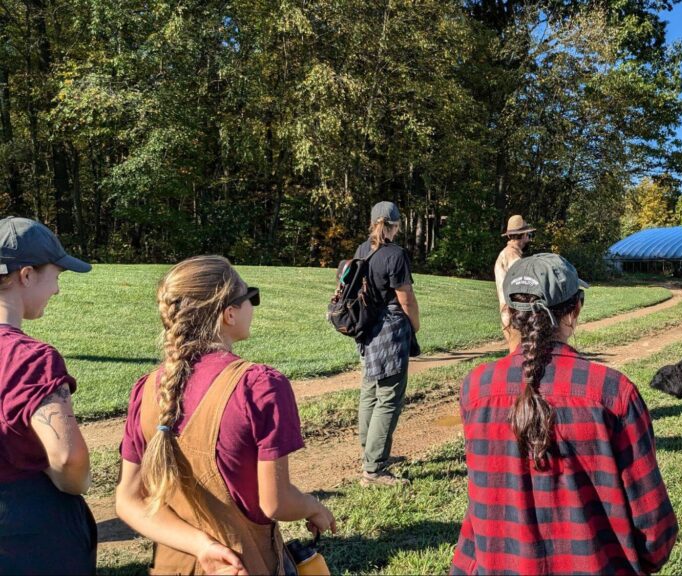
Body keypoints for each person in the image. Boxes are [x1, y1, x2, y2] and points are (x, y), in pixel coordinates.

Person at [452, 253, 677, 575]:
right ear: (574, 311)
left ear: (509, 314)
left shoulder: (476, 388)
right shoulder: (612, 392)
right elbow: (654, 526)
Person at [115, 255, 336, 575]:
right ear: (229, 313)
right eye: (251, 297)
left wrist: (201, 546)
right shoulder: (259, 386)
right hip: (245, 564)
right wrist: (314, 506)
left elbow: (128, 501)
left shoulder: (147, 390)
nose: (253, 307)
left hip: (173, 565)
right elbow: (275, 502)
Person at [0, 217, 95, 575]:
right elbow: (69, 460)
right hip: (27, 529)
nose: (57, 288)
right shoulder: (30, 357)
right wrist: (75, 482)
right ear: (26, 275)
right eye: (56, 274)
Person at [353, 201, 420, 486]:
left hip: (367, 330)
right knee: (389, 397)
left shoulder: (362, 250)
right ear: (395, 224)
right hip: (390, 331)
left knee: (370, 391)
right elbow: (405, 297)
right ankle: (375, 468)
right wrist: (414, 325)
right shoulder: (396, 254)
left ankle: (369, 452)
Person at [494, 214, 534, 352]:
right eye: (528, 234)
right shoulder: (511, 255)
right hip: (512, 312)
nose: (529, 237)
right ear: (522, 235)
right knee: (519, 354)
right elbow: (521, 282)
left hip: (510, 311)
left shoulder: (510, 253)